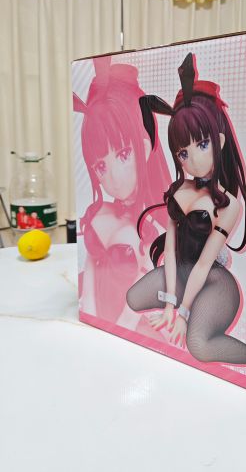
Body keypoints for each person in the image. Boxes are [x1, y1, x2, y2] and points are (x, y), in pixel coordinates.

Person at [126, 53, 246, 365]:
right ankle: (184, 306)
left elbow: (203, 264)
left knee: (198, 345)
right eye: (183, 153)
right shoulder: (178, 190)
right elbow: (170, 251)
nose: (194, 160)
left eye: (202, 145)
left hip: (213, 280)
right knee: (133, 298)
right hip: (183, 272)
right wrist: (169, 306)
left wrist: (184, 312)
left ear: (220, 141)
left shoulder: (229, 204)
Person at [73, 55, 171, 324]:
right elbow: (91, 266)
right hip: (93, 317)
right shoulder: (101, 212)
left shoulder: (159, 225)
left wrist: (122, 325)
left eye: (124, 154)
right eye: (100, 166)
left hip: (130, 324)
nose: (114, 178)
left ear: (146, 146)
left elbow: (143, 297)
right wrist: (88, 308)